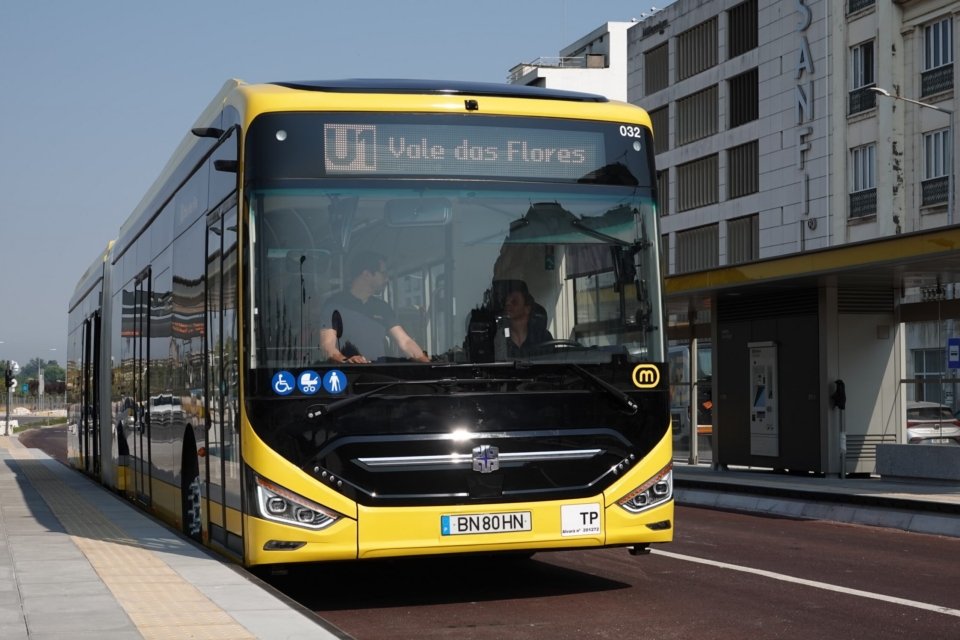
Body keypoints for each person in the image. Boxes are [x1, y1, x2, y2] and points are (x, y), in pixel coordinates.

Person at [320, 251, 429, 363]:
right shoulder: (334, 305)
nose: (387, 279)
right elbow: (327, 346)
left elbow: (405, 341)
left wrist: (426, 363)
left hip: (380, 374)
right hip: (350, 376)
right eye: (383, 274)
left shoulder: (382, 308)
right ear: (367, 274)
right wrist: (346, 361)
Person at [503, 289, 553, 357]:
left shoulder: (543, 337)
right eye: (506, 302)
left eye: (514, 301)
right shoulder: (499, 337)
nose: (507, 304)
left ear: (527, 309)